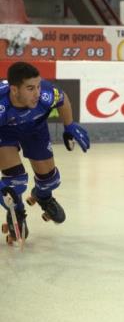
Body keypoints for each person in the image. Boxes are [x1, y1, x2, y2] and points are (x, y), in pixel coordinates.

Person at [0, 62, 90, 243]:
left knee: (51, 179)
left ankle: (43, 196)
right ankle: (16, 211)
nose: (37, 93)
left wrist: (69, 125)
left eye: (38, 86)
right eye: (30, 88)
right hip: (4, 133)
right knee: (14, 183)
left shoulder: (46, 94)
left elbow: (62, 99)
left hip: (36, 130)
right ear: (14, 90)